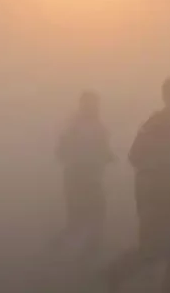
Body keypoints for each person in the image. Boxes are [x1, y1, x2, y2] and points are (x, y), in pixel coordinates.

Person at [103, 75, 170, 293]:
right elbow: (136, 156)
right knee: (155, 249)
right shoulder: (157, 124)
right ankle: (114, 273)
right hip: (155, 198)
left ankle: (116, 273)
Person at [49, 91, 115, 266]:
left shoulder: (98, 126)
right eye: (91, 104)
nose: (94, 107)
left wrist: (106, 156)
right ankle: (56, 254)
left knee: (96, 215)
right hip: (77, 177)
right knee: (78, 221)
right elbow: (61, 152)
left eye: (95, 104)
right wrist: (81, 156)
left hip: (91, 177)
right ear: (84, 105)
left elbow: (104, 150)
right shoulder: (74, 127)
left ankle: (89, 254)